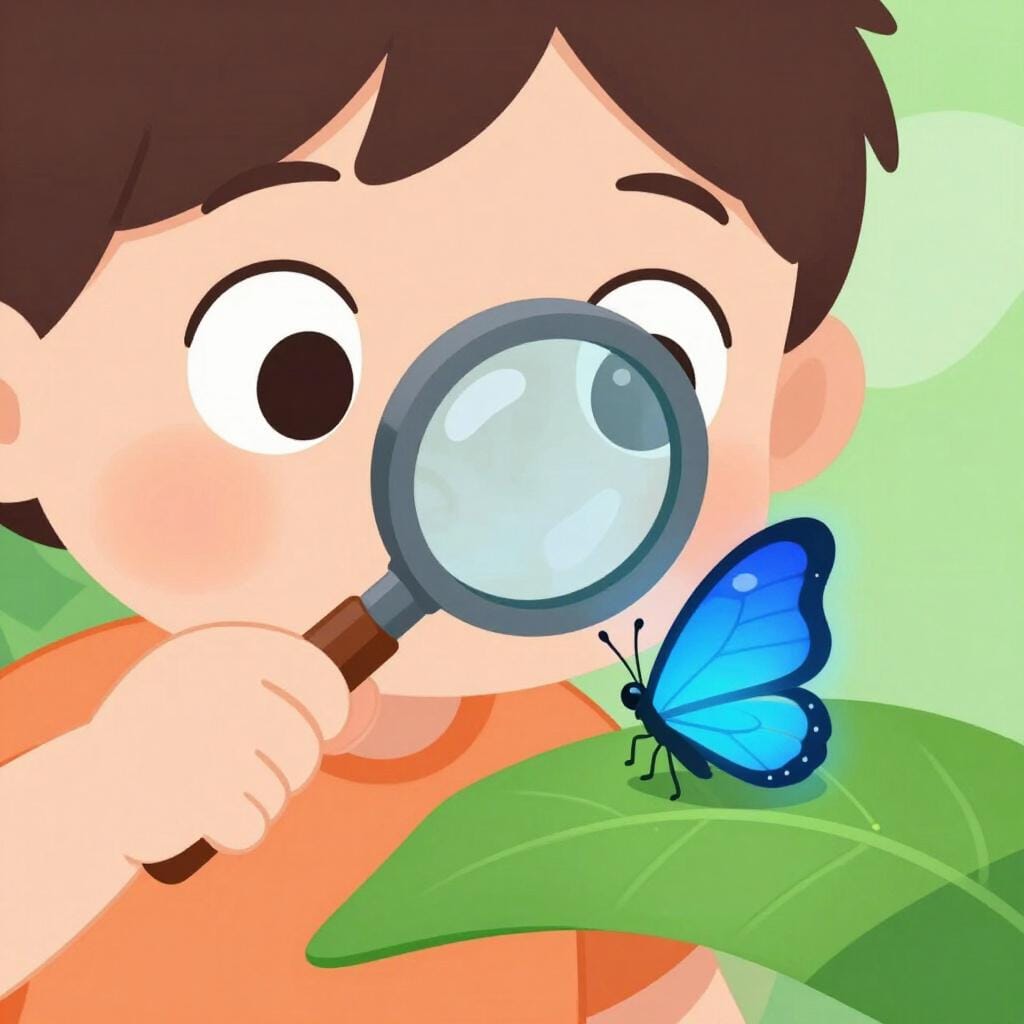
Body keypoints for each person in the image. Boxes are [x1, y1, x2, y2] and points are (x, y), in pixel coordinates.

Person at [0, 3, 896, 1020]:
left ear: (792, 409)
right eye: (291, 372)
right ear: (14, 405)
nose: (505, 461)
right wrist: (100, 801)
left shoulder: (573, 795)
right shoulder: (68, 730)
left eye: (643, 365)